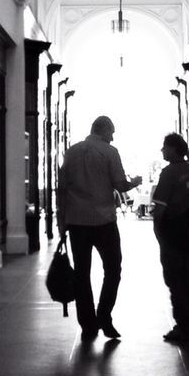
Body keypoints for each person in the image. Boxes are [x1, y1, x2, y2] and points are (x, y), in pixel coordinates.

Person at [56, 115, 141, 341]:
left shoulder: (71, 151)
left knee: (82, 274)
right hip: (103, 221)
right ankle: (104, 315)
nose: (113, 137)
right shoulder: (109, 152)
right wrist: (136, 182)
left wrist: (61, 222)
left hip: (77, 221)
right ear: (102, 131)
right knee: (113, 269)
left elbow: (62, 188)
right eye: (111, 132)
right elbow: (120, 184)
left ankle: (88, 324)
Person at [152, 133, 189, 344]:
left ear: (173, 149)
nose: (162, 151)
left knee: (174, 279)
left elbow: (160, 207)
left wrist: (157, 232)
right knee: (188, 278)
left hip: (173, 231)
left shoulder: (168, 172)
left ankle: (181, 325)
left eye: (165, 147)